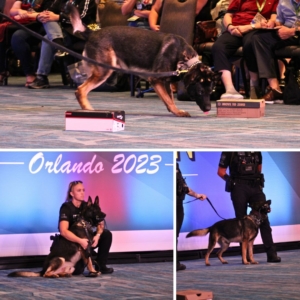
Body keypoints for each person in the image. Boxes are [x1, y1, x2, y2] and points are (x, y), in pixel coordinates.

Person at [217, 152, 281, 263]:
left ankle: (271, 254)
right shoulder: (229, 151)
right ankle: (245, 257)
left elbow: (258, 169)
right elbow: (221, 172)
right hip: (239, 188)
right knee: (242, 222)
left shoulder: (256, 150)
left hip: (255, 187)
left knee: (264, 220)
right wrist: (231, 181)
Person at [211, 0, 279, 100]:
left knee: (250, 43)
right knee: (218, 46)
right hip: (236, 28)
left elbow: (274, 18)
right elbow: (228, 15)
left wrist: (270, 22)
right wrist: (230, 27)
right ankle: (229, 88)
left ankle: (254, 86)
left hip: (257, 30)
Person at [28, 0, 96, 89]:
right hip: (63, 33)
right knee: (48, 22)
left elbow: (81, 18)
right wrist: (43, 16)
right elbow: (49, 10)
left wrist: (58, 17)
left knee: (48, 38)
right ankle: (59, 45)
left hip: (81, 32)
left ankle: (42, 77)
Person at [243, 0, 300, 103]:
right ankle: (275, 88)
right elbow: (280, 21)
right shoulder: (284, 1)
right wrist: (273, 23)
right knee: (258, 39)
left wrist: (293, 31)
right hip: (286, 31)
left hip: (295, 32)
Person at [59, 180, 114, 275]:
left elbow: (100, 223)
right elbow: (63, 231)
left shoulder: (87, 205)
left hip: (88, 238)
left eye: (83, 190)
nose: (82, 193)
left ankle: (101, 265)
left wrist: (97, 235)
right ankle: (87, 260)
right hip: (73, 244)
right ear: (71, 193)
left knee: (106, 234)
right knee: (77, 271)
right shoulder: (66, 207)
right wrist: (80, 241)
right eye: (79, 190)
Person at [176, 162, 206, 271]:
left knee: (175, 236)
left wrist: (197, 195)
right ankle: (175, 263)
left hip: (178, 203)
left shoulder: (176, 166)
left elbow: (183, 186)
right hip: (174, 204)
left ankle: (176, 263)